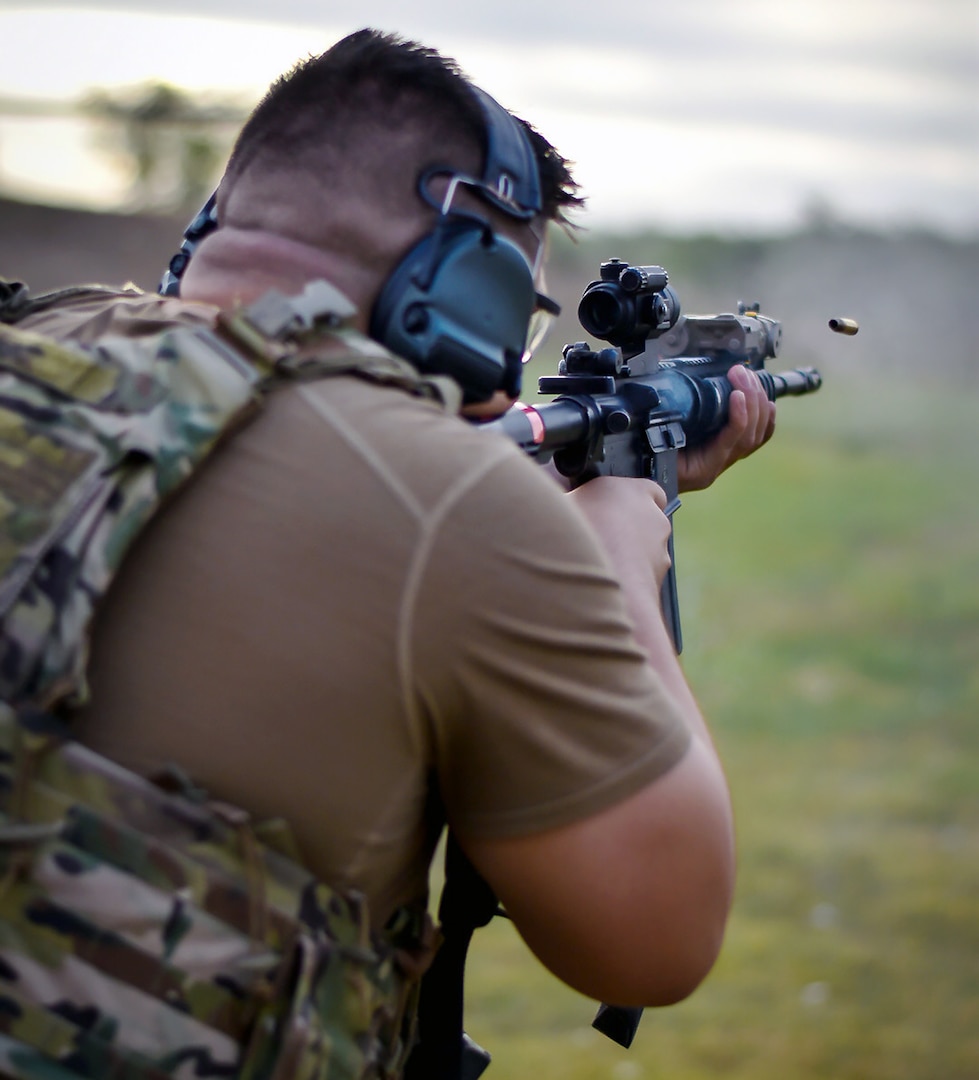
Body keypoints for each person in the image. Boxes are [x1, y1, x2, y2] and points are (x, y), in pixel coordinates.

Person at [0, 27, 775, 1080]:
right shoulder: (461, 508)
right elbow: (654, 936)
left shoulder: (35, 351)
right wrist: (620, 553)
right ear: (462, 290)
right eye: (518, 317)